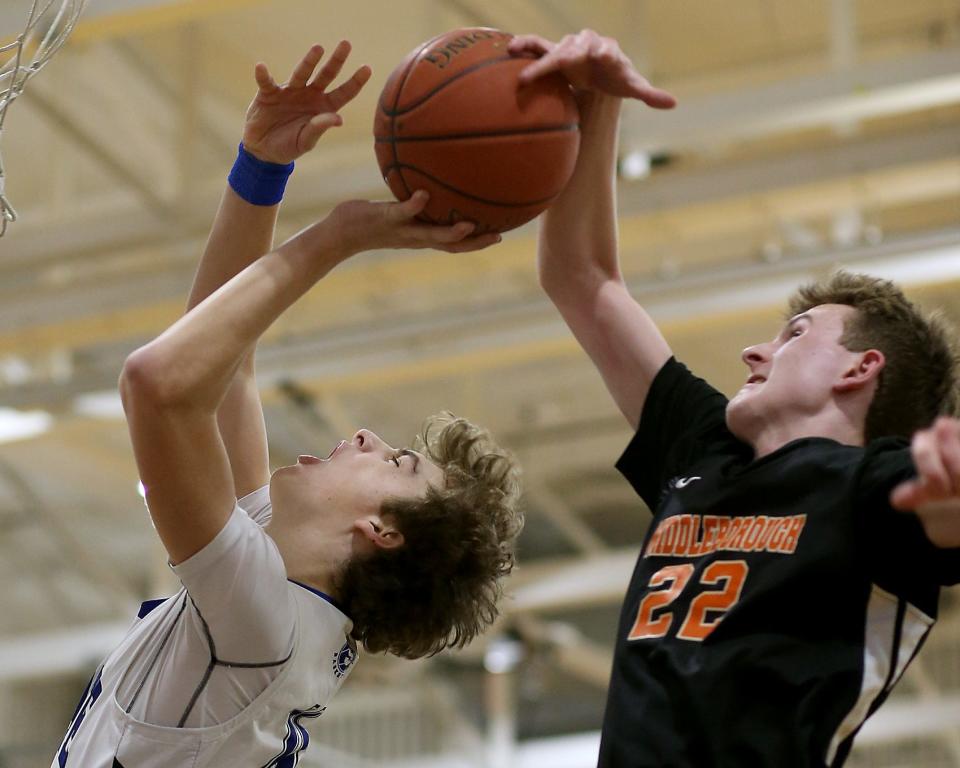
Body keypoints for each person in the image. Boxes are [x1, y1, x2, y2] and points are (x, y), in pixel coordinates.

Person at [53, 41, 522, 768]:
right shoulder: (285, 585)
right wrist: (262, 169)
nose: (367, 436)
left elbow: (156, 384)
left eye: (399, 462)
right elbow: (224, 372)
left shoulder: (263, 624)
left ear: (381, 530)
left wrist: (337, 238)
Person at [510, 29, 960, 768]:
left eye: (794, 335)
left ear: (859, 370)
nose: (755, 351)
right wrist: (593, 109)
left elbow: (942, 515)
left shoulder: (869, 487)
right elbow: (583, 279)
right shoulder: (703, 448)